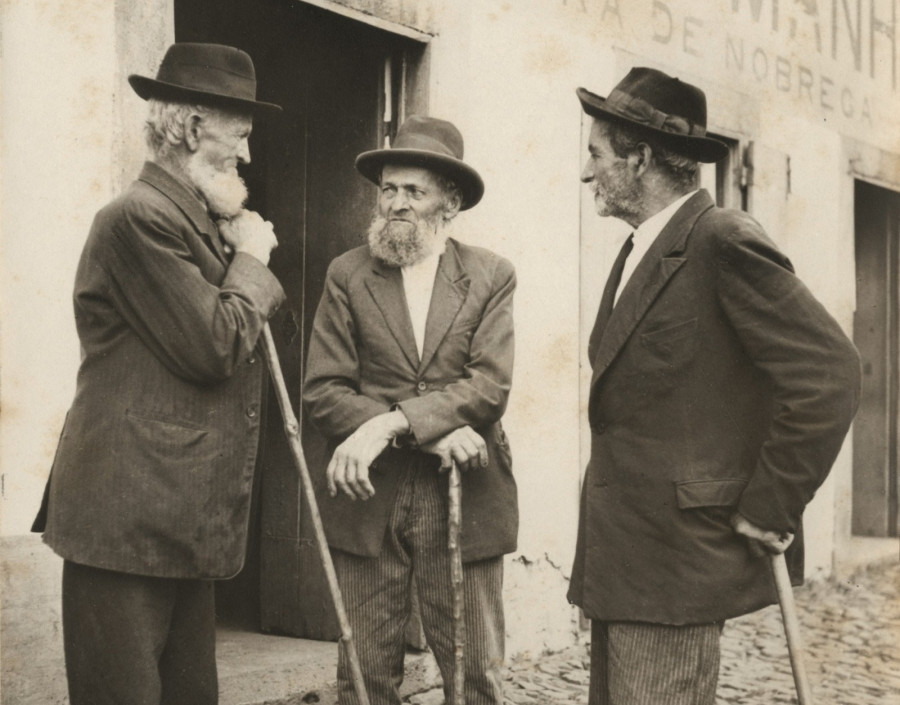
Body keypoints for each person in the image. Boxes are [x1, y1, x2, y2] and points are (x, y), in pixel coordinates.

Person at [568, 67, 861, 705]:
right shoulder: (642, 247)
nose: (587, 173)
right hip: (626, 554)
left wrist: (769, 505)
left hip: (677, 563)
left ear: (640, 159)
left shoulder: (721, 239)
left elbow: (829, 373)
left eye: (596, 154)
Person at [31, 43, 285, 705]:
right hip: (126, 522)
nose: (247, 154)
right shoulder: (137, 219)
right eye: (240, 134)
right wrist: (254, 260)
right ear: (194, 127)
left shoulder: (194, 221)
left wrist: (238, 251)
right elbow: (215, 344)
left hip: (175, 518)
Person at [302, 115, 517, 705]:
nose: (396, 203)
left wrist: (393, 423)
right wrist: (430, 432)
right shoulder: (348, 274)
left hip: (465, 490)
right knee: (364, 675)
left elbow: (489, 387)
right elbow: (323, 390)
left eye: (414, 192)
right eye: (388, 189)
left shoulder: (490, 275)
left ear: (450, 203)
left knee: (474, 673)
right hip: (369, 491)